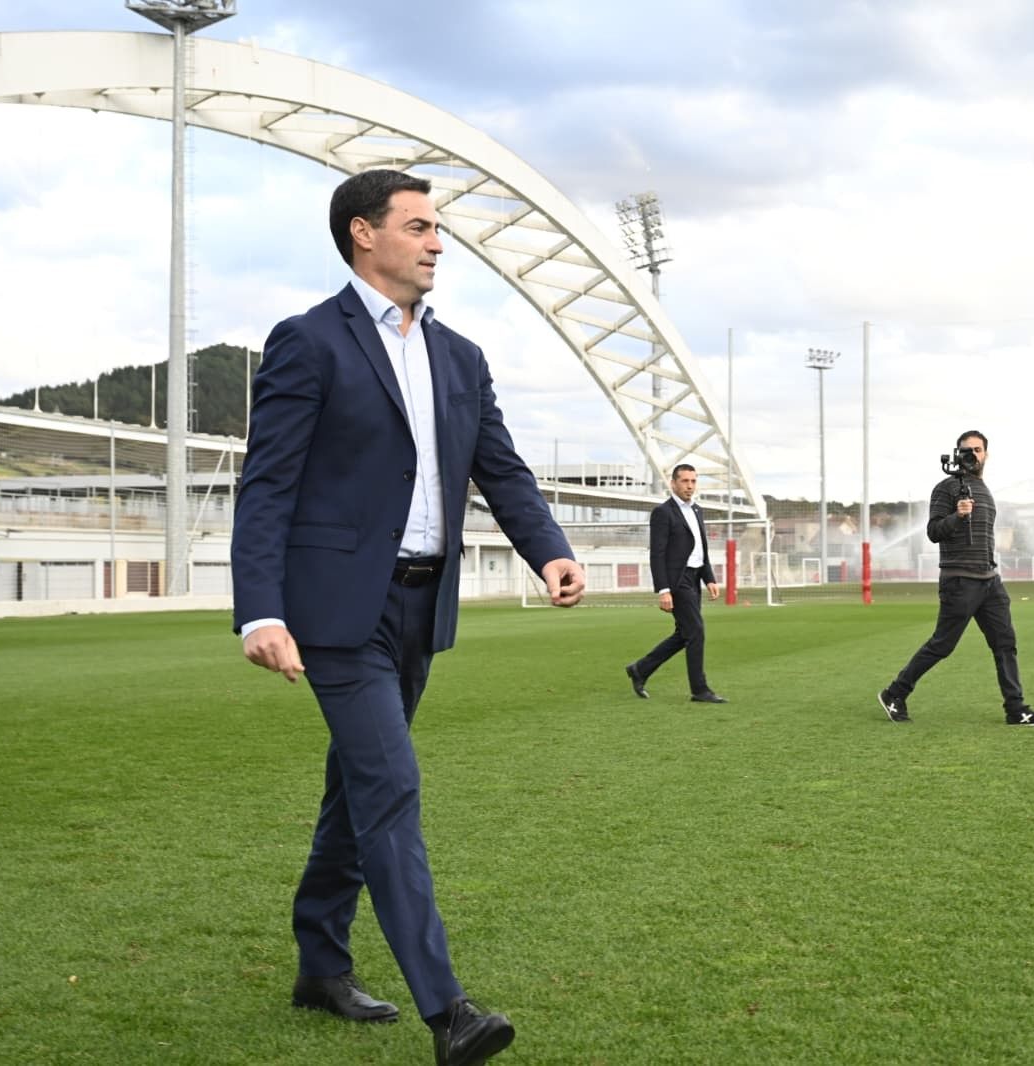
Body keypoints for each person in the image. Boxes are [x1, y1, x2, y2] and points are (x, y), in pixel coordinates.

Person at [231, 168, 585, 1066]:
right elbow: (267, 486)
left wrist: (549, 549)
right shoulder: (309, 342)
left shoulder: (460, 356)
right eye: (421, 227)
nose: (438, 244)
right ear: (364, 234)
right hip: (336, 614)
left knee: (355, 791)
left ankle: (320, 964)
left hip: (425, 606)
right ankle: (450, 1012)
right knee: (391, 787)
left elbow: (499, 469)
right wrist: (259, 613)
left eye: (439, 230)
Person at [877, 430, 1034, 727]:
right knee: (942, 645)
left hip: (989, 580)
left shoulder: (984, 490)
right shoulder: (945, 489)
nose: (972, 454)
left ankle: (1016, 709)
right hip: (960, 580)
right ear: (958, 454)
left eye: (977, 449)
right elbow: (933, 532)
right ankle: (895, 693)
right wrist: (957, 516)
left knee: (1005, 643)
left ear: (986, 454)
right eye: (966, 450)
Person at [623, 464, 727, 703]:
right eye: (685, 481)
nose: (690, 486)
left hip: (695, 578)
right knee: (696, 632)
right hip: (677, 580)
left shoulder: (698, 510)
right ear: (673, 483)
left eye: (693, 481)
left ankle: (640, 669)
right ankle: (700, 690)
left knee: (685, 633)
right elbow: (657, 554)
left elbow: (701, 548)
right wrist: (664, 589)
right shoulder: (663, 513)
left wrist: (708, 577)